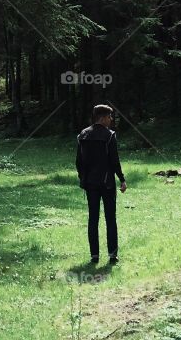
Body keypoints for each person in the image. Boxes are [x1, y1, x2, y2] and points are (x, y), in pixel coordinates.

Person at [75, 103, 127, 264]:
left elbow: (79, 162)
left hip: (90, 184)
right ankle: (112, 255)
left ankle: (94, 256)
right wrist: (122, 179)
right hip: (107, 184)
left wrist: (83, 179)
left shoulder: (82, 135)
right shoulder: (109, 135)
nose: (111, 120)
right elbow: (114, 161)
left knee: (93, 219)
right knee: (110, 219)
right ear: (103, 117)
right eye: (110, 116)